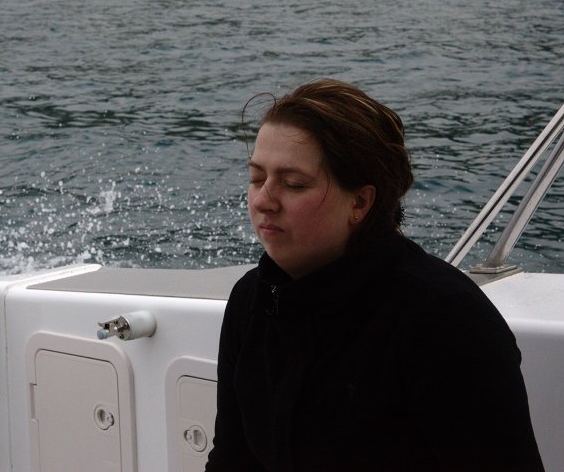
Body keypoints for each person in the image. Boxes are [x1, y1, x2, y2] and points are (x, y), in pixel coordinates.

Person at [205, 79, 544, 471]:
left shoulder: (444, 321)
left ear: (361, 201)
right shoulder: (254, 301)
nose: (263, 200)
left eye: (293, 184)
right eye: (256, 178)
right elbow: (232, 460)